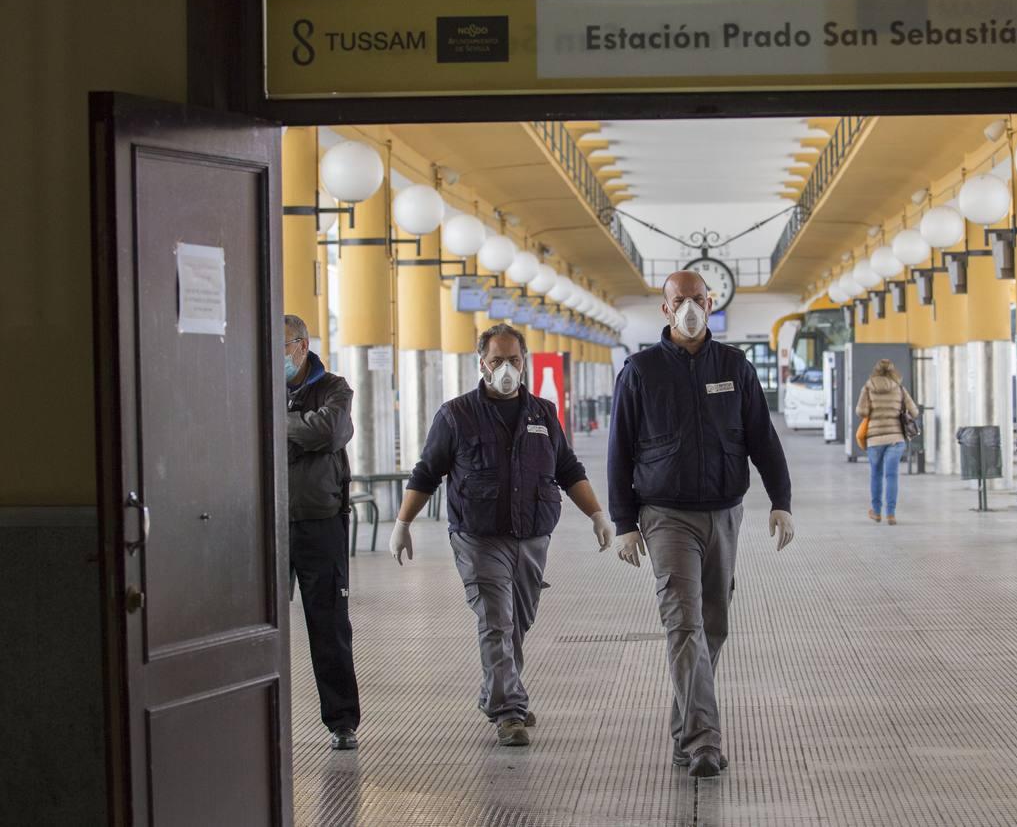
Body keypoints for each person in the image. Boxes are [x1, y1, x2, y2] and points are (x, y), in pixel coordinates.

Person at [388, 324, 614, 747]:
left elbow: (568, 469)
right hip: (478, 536)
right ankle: (509, 710)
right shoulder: (455, 415)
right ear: (482, 364)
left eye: (513, 360)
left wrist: (597, 514)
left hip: (531, 535)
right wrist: (403, 523)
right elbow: (427, 473)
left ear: (524, 361)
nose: (506, 369)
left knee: (517, 624)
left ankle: (496, 693)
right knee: (496, 619)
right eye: (497, 362)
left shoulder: (544, 414)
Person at [608, 271, 795, 779]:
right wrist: (624, 522)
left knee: (713, 625)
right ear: (664, 310)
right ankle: (704, 741)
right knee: (684, 624)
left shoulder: (735, 366)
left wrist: (782, 499)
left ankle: (685, 724)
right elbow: (619, 449)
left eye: (697, 299)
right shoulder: (641, 371)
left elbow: (762, 436)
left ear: (710, 304)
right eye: (679, 300)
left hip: (724, 512)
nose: (689, 308)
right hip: (665, 515)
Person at [283, 314, 361, 751]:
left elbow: (330, 431)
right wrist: (302, 429)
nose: (277, 356)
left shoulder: (334, 387)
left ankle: (342, 720)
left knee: (328, 625)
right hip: (266, 523)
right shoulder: (255, 381)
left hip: (320, 520)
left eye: (283, 345)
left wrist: (276, 425)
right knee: (260, 624)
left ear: (302, 344)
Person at [855, 358, 919, 526]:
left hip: (875, 439)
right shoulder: (898, 388)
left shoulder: (868, 387)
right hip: (895, 439)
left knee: (876, 474)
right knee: (891, 476)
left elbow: (861, 411)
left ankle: (876, 512)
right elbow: (914, 411)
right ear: (893, 371)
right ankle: (891, 514)